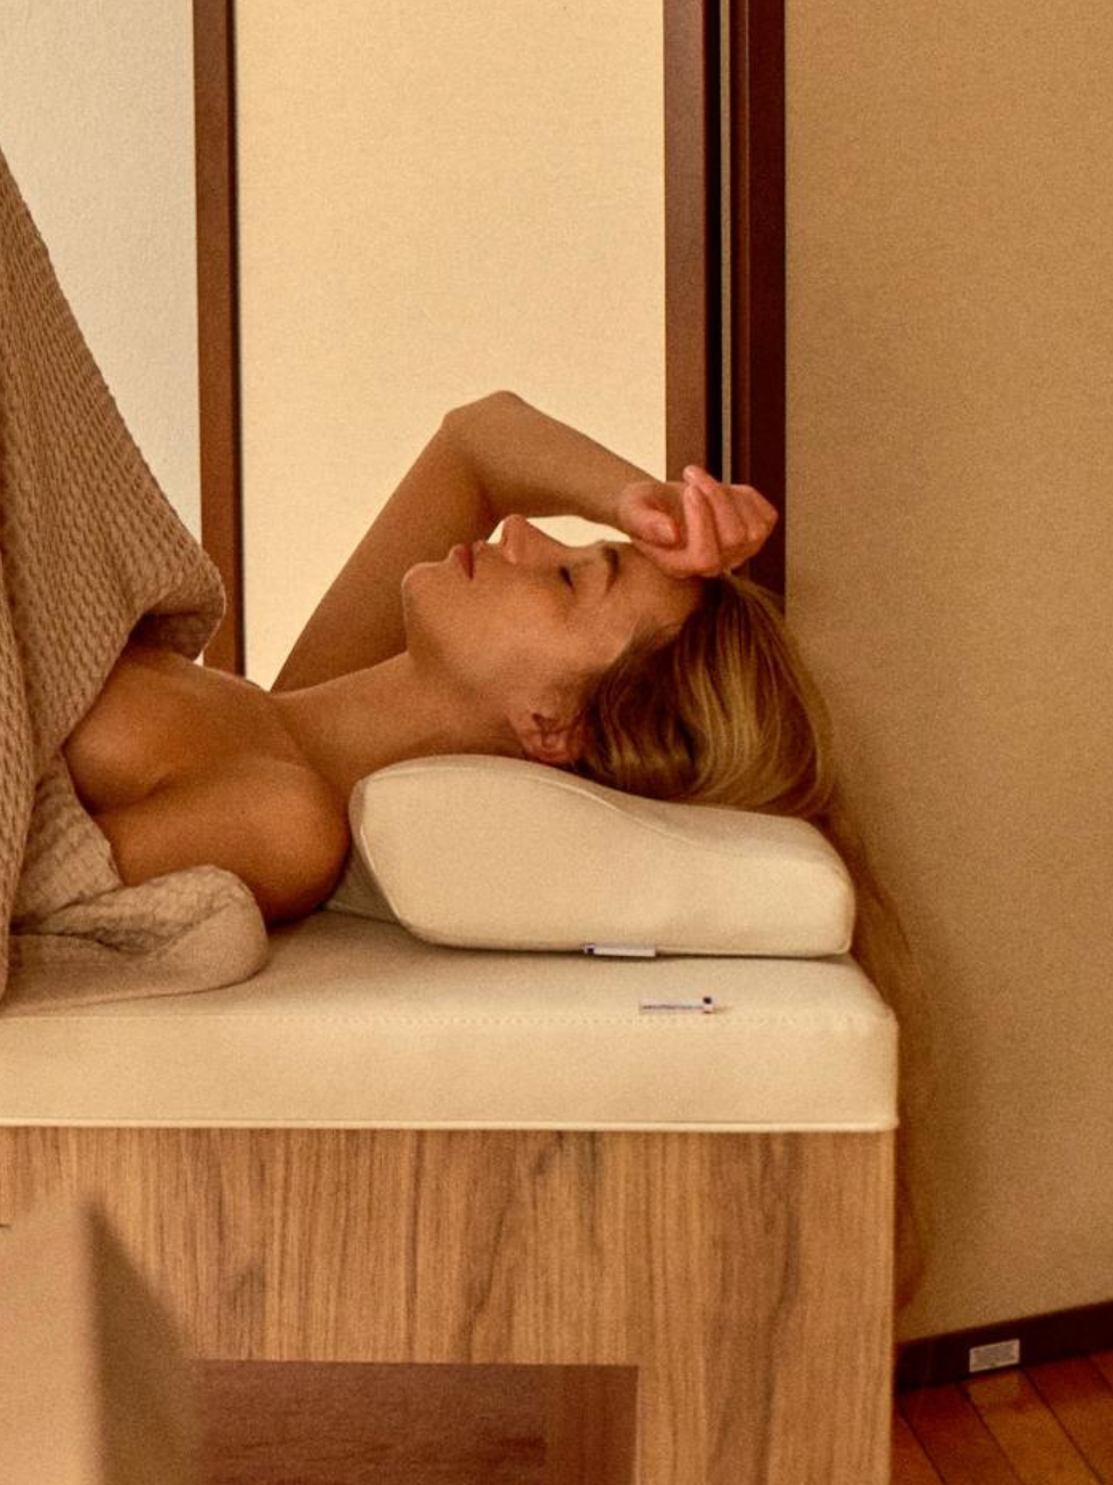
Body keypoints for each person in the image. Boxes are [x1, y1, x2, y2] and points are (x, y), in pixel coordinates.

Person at [63, 387, 931, 1309]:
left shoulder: (285, 819)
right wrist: (655, 508)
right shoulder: (307, 703)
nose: (521, 533)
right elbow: (480, 442)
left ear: (550, 725)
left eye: (566, 579)